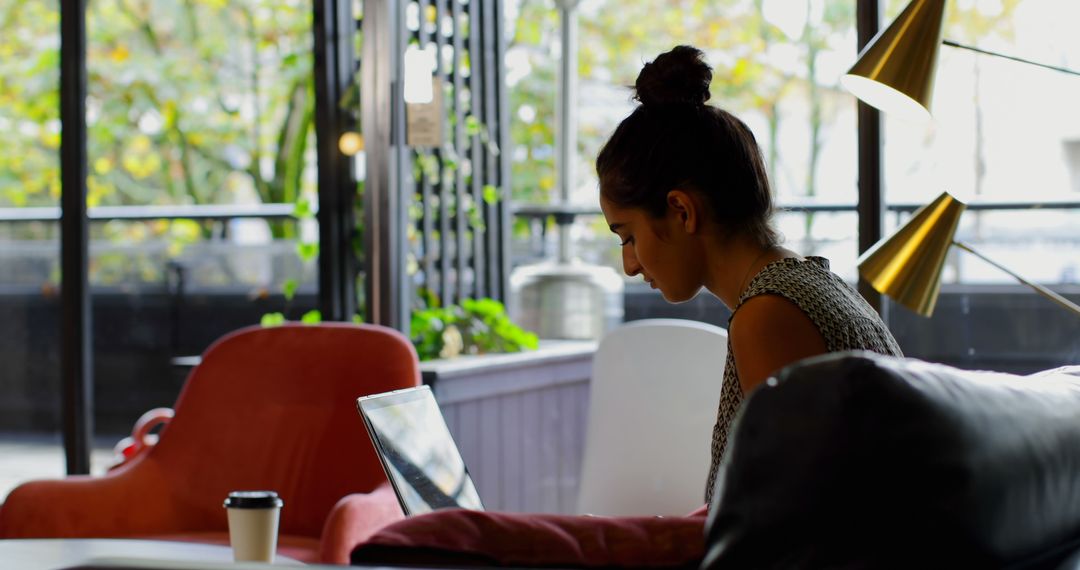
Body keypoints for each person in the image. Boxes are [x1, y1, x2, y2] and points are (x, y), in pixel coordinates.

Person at [595, 45, 903, 504]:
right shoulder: (818, 285)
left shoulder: (769, 315)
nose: (630, 265)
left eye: (628, 236)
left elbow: (789, 520)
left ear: (681, 210)